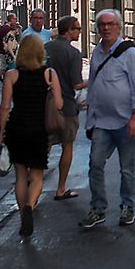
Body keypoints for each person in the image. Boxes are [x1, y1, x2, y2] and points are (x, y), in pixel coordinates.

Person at [80, 8, 135, 230]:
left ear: (118, 27)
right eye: (102, 24)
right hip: (101, 122)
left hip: (126, 121)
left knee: (126, 169)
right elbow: (95, 83)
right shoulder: (97, 51)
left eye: (110, 24)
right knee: (95, 164)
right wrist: (89, 115)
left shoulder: (129, 53)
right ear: (98, 28)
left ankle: (127, 207)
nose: (106, 28)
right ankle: (98, 208)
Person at [0, 34, 63, 238]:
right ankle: (29, 207)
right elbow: (59, 104)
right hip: (39, 129)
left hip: (17, 128)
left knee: (20, 176)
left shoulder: (11, 75)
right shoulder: (49, 74)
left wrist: (1, 134)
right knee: (36, 175)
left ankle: (21, 210)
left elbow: (5, 107)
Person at [46, 15, 86, 200]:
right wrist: (91, 81)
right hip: (67, 105)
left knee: (44, 144)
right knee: (67, 145)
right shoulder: (73, 53)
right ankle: (61, 187)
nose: (79, 31)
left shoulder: (45, 48)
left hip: (46, 106)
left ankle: (34, 180)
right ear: (68, 31)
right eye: (77, 28)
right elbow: (77, 84)